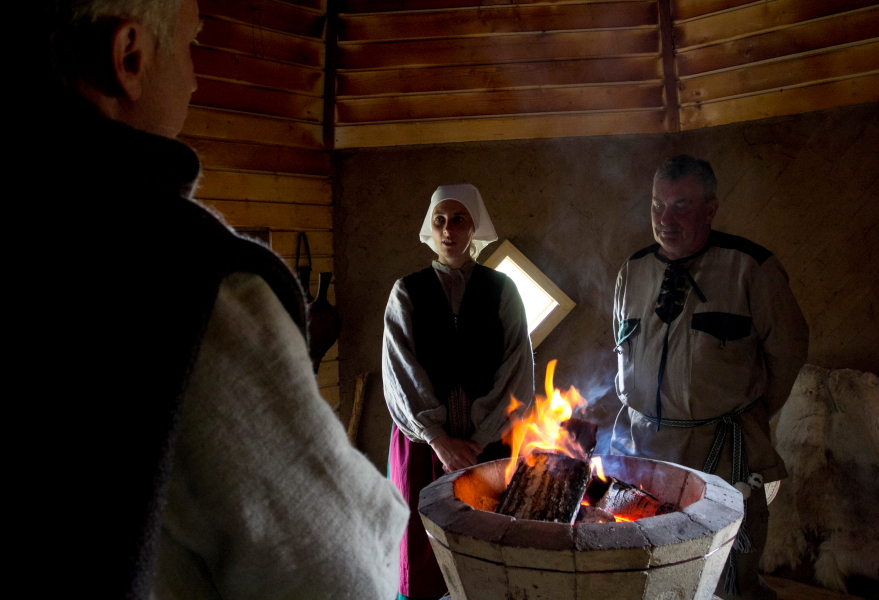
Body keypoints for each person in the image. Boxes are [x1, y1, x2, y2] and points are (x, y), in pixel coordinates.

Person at [26, 1, 408, 598]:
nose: (197, 76)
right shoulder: (185, 285)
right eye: (190, 46)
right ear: (130, 57)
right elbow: (334, 567)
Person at [610, 155, 809, 599]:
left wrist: (743, 414)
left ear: (711, 209)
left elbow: (788, 353)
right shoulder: (633, 272)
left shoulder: (751, 268)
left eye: (682, 206)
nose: (666, 219)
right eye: (657, 206)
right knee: (653, 571)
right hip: (645, 451)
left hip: (720, 451)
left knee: (728, 576)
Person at [383, 184, 535, 600]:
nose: (448, 229)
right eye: (440, 220)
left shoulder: (502, 290)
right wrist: (437, 436)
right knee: (423, 546)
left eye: (459, 219)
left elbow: (516, 367)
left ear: (474, 227)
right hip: (423, 446)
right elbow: (401, 370)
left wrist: (479, 438)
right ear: (430, 229)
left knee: (487, 544)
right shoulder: (407, 291)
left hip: (486, 446)